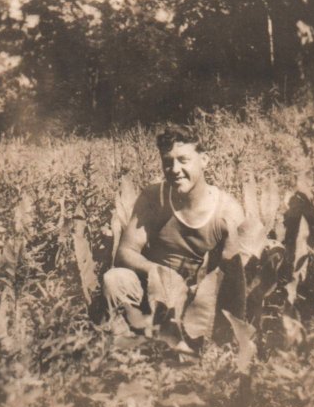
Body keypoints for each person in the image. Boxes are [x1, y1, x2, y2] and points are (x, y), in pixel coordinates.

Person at [103, 124, 245, 334]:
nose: (175, 170)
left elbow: (238, 276)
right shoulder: (153, 197)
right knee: (114, 279)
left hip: (201, 306)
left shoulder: (226, 211)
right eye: (168, 162)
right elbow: (124, 253)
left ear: (204, 160)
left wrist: (199, 291)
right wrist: (160, 273)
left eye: (183, 160)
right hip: (154, 294)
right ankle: (127, 352)